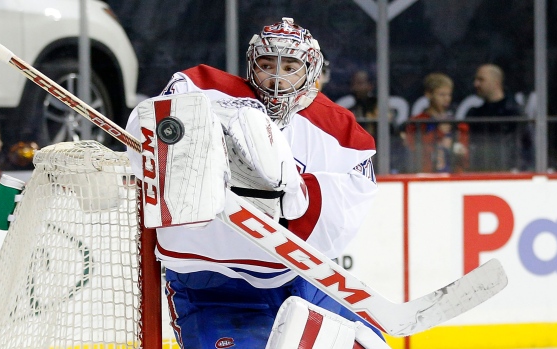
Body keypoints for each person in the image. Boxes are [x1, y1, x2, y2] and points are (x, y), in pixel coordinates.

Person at [125, 18, 384, 348]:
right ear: (251, 65)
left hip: (300, 281)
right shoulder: (199, 87)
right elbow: (146, 131)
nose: (276, 77)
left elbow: (348, 210)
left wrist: (296, 195)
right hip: (210, 285)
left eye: (290, 66)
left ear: (311, 70)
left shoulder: (338, 130)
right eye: (266, 65)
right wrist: (202, 139)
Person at [466, 63, 533, 171]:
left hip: (508, 173)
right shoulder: (474, 114)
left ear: (496, 82)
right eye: (475, 80)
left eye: (481, 80)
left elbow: (527, 148)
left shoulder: (514, 113)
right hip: (479, 172)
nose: (476, 84)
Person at [404, 73, 469, 173]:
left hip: (453, 175)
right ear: (429, 94)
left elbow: (465, 152)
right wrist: (439, 132)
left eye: (449, 95)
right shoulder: (418, 121)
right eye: (442, 94)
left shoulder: (456, 123)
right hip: (427, 174)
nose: (446, 99)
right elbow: (414, 150)